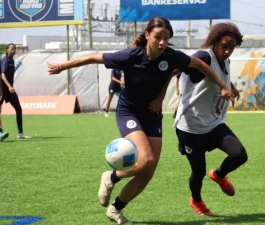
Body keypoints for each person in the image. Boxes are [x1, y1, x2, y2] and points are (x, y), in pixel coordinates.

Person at [47, 16, 234, 224]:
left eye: (166, 38)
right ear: (147, 35)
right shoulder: (130, 55)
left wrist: (223, 86)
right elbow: (93, 57)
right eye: (157, 37)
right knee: (145, 160)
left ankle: (116, 209)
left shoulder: (172, 56)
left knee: (148, 171)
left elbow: (200, 64)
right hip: (129, 113)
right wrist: (62, 67)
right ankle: (111, 177)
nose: (162, 43)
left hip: (152, 116)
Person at [174, 22, 248, 216]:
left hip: (214, 123)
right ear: (214, 42)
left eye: (231, 48)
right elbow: (178, 66)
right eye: (224, 46)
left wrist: (230, 85)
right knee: (198, 171)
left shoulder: (226, 61)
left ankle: (219, 174)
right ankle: (196, 200)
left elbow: (217, 74)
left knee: (240, 155)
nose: (227, 51)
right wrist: (170, 87)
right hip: (191, 127)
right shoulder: (203, 56)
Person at [0, 43, 31, 139]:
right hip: (2, 90)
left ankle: (20, 133)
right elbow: (2, 75)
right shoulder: (5, 60)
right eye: (12, 49)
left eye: (14, 49)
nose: (14, 50)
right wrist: (9, 86)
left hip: (9, 90)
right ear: (7, 50)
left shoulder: (12, 60)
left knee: (18, 109)